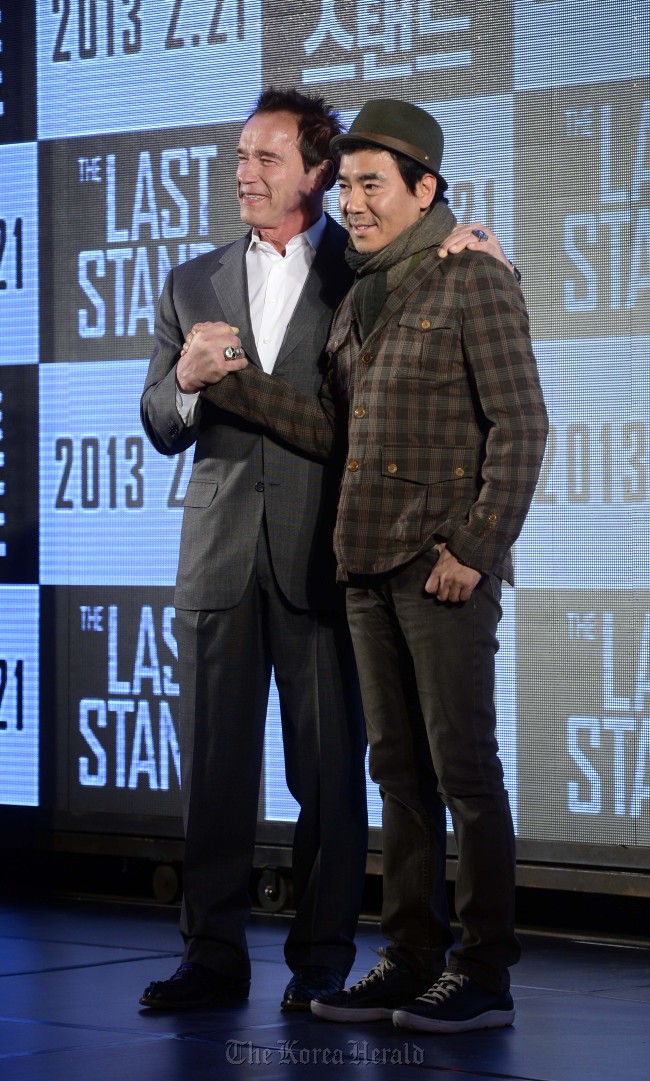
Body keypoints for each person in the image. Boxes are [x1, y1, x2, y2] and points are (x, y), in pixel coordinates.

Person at [139, 87, 518, 1014]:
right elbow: (157, 416)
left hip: (331, 555)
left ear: (318, 172)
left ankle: (323, 959)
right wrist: (190, 382)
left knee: (340, 777)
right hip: (221, 560)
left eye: (268, 159)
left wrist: (477, 241)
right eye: (239, 158)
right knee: (222, 774)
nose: (245, 174)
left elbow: (487, 387)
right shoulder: (190, 281)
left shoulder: (370, 266)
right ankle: (213, 953)